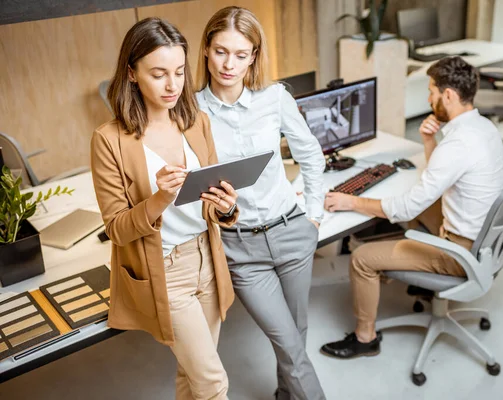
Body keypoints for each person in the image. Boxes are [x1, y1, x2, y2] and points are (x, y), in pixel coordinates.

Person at [90, 18, 239, 400]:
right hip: (166, 272)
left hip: (208, 260)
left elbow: (214, 203)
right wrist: (159, 198)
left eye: (179, 72)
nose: (173, 85)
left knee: (192, 376)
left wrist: (225, 208)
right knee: (213, 383)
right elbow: (118, 230)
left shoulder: (196, 122)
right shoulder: (109, 140)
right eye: (158, 74)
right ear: (132, 73)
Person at [320, 56, 503, 359]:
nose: (428, 98)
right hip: (482, 239)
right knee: (418, 204)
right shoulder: (483, 127)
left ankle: (365, 338)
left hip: (460, 252)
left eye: (432, 91)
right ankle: (408, 274)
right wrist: (429, 141)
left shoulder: (457, 144)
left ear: (448, 95)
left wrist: (351, 201)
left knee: (362, 258)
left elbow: (405, 209)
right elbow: (440, 178)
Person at [195, 6, 326, 400]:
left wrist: (314, 217)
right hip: (242, 247)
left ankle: (286, 396)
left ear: (253, 55)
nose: (229, 64)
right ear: (205, 49)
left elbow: (312, 155)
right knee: (288, 343)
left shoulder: (275, 98)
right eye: (220, 51)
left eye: (240, 54)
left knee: (296, 337)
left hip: (292, 233)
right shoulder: (191, 111)